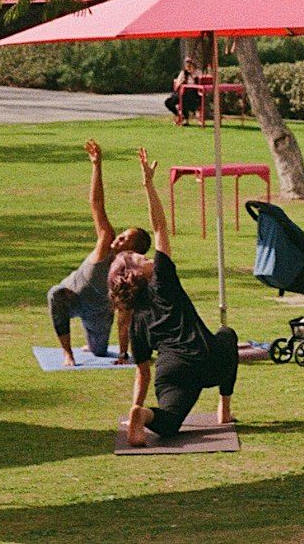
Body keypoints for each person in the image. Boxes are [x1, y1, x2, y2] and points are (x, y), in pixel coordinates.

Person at [109, 148, 238, 445]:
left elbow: (142, 373)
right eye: (139, 259)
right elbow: (159, 226)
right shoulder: (163, 279)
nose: (145, 257)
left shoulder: (135, 318)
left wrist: (135, 406)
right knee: (227, 335)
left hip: (171, 371)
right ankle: (225, 409)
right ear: (138, 274)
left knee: (168, 425)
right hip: (205, 360)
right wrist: (148, 185)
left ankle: (144, 416)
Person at [47, 140, 151, 367]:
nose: (118, 239)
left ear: (133, 250)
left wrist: (123, 354)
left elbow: (125, 318)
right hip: (74, 295)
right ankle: (68, 354)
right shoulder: (106, 242)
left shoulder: (130, 275)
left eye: (124, 239)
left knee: (99, 352)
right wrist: (97, 165)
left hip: (100, 313)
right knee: (55, 294)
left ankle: (90, 343)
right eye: (121, 235)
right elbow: (96, 204)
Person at [165, 57, 203, 124]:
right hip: (182, 93)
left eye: (190, 64)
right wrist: (181, 82)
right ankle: (179, 115)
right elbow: (177, 85)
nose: (188, 66)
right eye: (187, 64)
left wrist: (193, 74)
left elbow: (200, 83)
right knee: (168, 102)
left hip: (193, 94)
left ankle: (186, 118)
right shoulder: (183, 73)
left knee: (185, 99)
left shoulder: (197, 73)